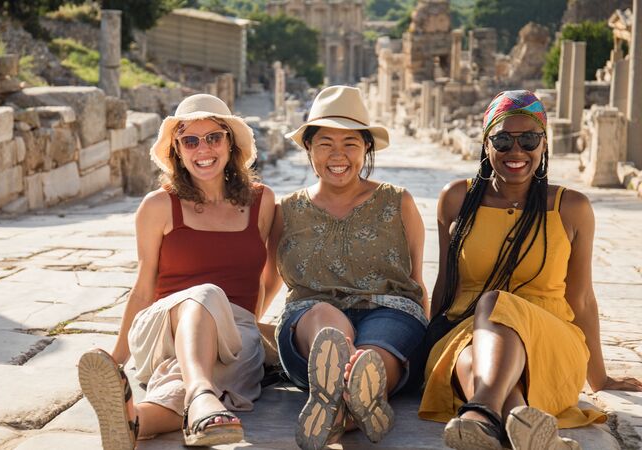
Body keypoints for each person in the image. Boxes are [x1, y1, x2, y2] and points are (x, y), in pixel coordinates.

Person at [418, 90, 642, 450]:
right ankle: (518, 420)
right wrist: (423, 344)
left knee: (495, 303)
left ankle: (480, 412)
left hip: (550, 335)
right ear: (486, 143)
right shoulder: (457, 198)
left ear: (544, 143)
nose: (516, 151)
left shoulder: (570, 207)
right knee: (469, 350)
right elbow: (445, 283)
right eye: (503, 140)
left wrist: (598, 378)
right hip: (466, 330)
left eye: (529, 139)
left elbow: (581, 298)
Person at [77, 94, 278, 450]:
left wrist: (241, 325)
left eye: (214, 137)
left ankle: (135, 421)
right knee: (205, 294)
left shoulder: (262, 201)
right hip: (164, 327)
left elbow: (267, 275)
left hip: (234, 332)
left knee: (197, 374)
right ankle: (201, 393)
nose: (203, 148)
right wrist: (116, 360)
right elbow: (143, 288)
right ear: (177, 150)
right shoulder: (158, 205)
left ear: (230, 144)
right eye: (190, 140)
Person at [271, 85, 428, 450]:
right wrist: (244, 333)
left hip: (390, 310)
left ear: (366, 148)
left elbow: (416, 281)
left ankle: (347, 397)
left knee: (377, 349)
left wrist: (433, 346)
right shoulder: (286, 210)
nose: (337, 155)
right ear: (308, 148)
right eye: (325, 143)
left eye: (350, 143)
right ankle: (354, 397)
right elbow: (266, 279)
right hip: (309, 326)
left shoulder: (398, 200)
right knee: (323, 314)